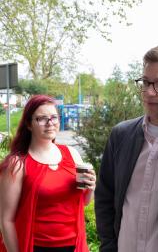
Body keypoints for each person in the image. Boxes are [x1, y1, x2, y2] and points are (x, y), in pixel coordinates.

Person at [95, 44, 158, 252]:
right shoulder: (121, 135)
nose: (149, 92)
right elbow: (105, 197)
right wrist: (108, 246)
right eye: (146, 82)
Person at [0, 94, 96, 252]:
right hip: (35, 247)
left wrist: (91, 188)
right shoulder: (17, 164)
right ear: (29, 124)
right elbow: (6, 220)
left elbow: (83, 201)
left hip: (75, 245)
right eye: (42, 118)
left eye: (54, 117)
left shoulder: (72, 154)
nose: (50, 123)